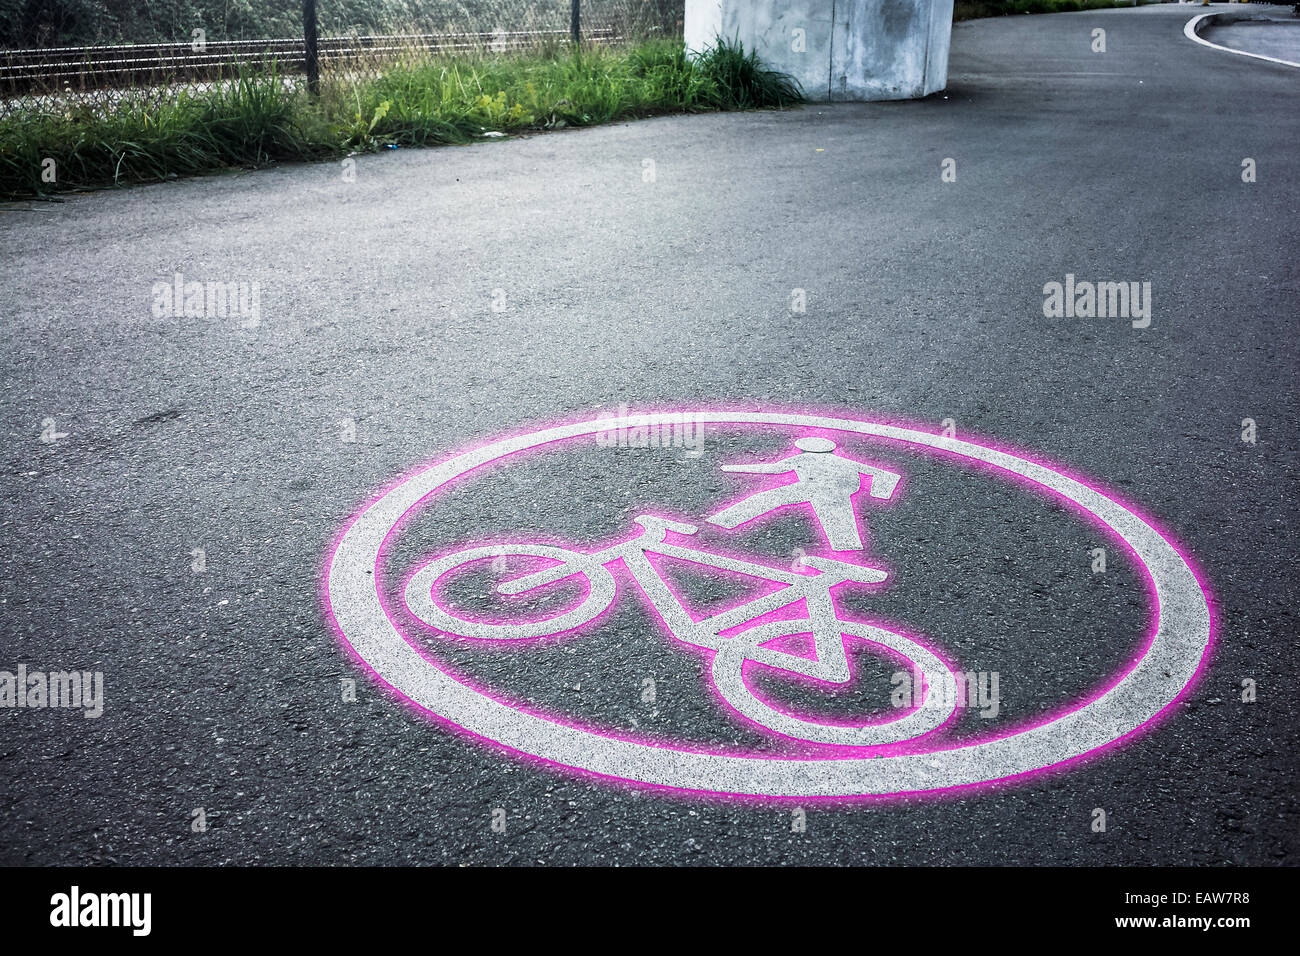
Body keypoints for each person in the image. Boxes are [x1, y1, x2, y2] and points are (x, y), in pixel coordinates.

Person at [706, 437, 900, 552]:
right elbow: (885, 474)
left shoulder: (802, 459)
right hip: (840, 490)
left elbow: (774, 470)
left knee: (767, 498)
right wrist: (879, 493)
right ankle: (847, 545)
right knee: (839, 516)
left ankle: (725, 520)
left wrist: (734, 468)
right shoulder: (844, 462)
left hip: (814, 487)